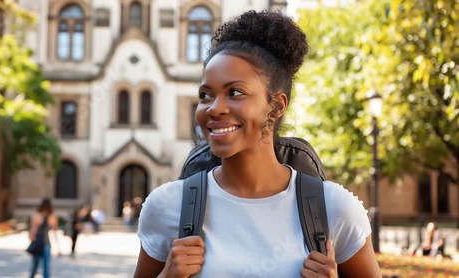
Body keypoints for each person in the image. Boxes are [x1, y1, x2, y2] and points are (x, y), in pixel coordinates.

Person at [134, 10, 381, 277]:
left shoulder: (334, 208)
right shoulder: (168, 205)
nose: (214, 109)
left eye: (235, 92)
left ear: (276, 106)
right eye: (206, 95)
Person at [29, 198, 61, 278]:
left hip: (37, 242)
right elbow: (55, 233)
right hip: (46, 243)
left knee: (35, 266)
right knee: (46, 267)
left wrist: (31, 240)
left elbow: (33, 230)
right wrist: (58, 247)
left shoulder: (36, 216)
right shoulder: (53, 217)